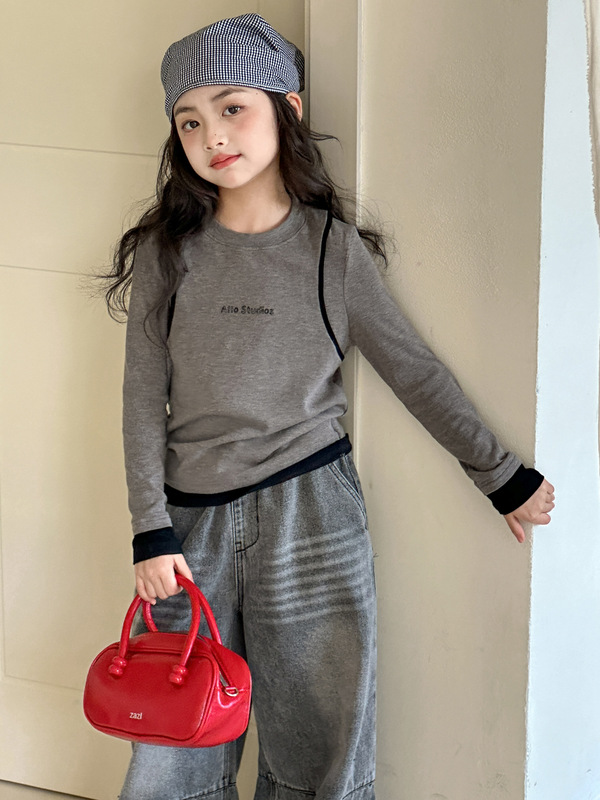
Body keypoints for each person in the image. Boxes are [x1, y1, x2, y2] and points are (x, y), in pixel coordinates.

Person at [101, 13, 555, 800]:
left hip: (309, 515)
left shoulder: (330, 251)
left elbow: (414, 372)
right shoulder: (167, 254)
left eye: (232, 106)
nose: (213, 135)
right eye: (190, 120)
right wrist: (150, 526)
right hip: (187, 532)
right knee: (172, 746)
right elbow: (142, 395)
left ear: (289, 107)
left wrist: (500, 474)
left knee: (323, 741)